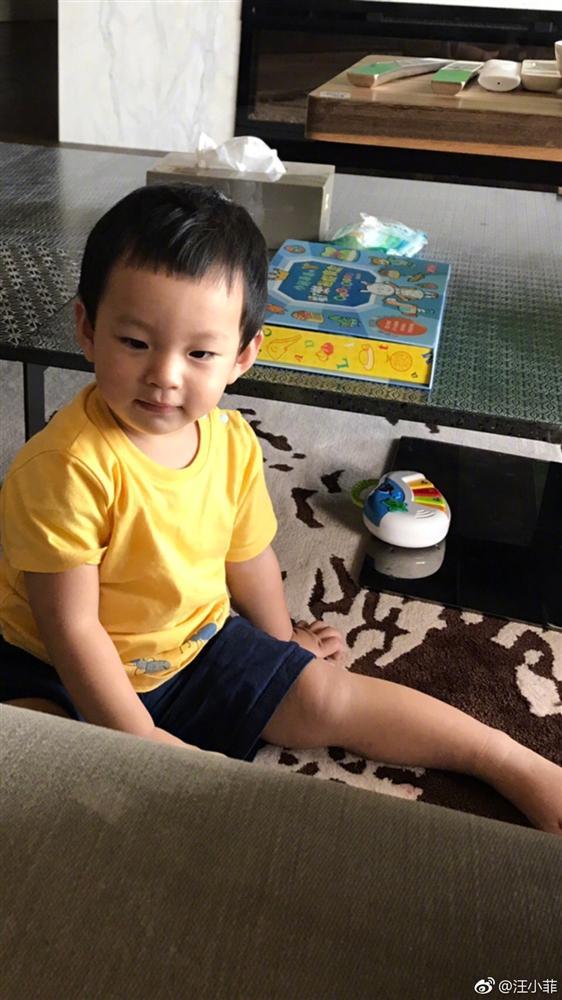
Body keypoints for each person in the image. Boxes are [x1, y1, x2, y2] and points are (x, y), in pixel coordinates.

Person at [0, 183, 560, 836]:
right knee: (40, 758)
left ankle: (502, 757)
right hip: (58, 666)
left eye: (199, 353)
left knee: (325, 694)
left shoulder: (231, 442)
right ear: (87, 330)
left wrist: (277, 642)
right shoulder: (66, 467)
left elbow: (249, 558)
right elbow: (72, 630)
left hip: (195, 643)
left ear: (242, 356)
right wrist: (139, 740)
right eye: (134, 342)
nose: (166, 375)